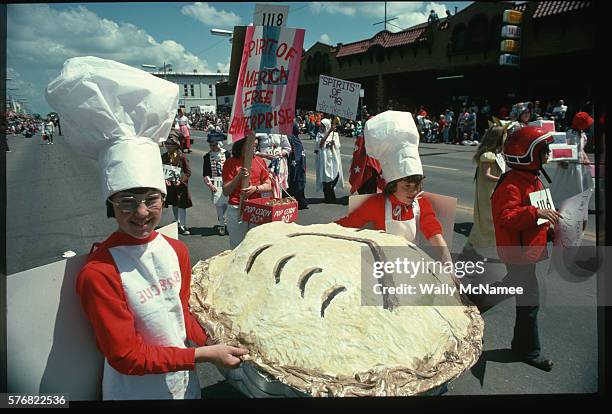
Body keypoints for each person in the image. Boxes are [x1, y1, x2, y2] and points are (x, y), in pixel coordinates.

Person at [45, 56, 247, 400]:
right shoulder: (98, 272)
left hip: (184, 385)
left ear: (164, 197)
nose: (141, 212)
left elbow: (180, 311)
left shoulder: (176, 250)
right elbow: (125, 356)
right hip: (133, 390)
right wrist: (204, 355)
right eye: (126, 201)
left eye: (152, 199)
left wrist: (215, 339)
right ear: (110, 203)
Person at [336, 111, 453, 266]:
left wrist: (447, 261)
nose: (413, 191)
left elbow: (434, 233)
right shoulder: (377, 204)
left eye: (417, 186)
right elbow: (348, 223)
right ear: (392, 185)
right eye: (407, 186)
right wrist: (318, 231)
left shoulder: (421, 203)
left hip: (411, 267)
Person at [487, 125, 559, 372]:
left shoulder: (532, 179)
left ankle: (467, 306)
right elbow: (505, 217)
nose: (548, 154)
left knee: (517, 295)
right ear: (527, 154)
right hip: (517, 252)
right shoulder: (512, 183)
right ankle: (528, 351)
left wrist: (551, 229)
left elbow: (536, 217)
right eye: (543, 150)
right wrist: (535, 212)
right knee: (529, 303)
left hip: (526, 250)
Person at [462, 125, 508, 260]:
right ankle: (478, 250)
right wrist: (502, 179)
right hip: (488, 193)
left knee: (486, 222)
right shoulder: (488, 155)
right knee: (487, 221)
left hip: (492, 191)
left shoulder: (496, 154)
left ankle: (471, 247)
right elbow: (486, 174)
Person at [222, 134, 272, 249]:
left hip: (256, 209)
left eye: (255, 146)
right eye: (251, 145)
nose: (254, 149)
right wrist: (238, 177)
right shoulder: (231, 163)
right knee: (238, 246)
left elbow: (269, 185)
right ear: (241, 145)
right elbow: (226, 191)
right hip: (236, 208)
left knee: (255, 246)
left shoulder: (260, 161)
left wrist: (255, 189)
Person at [550, 112, 595, 213]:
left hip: (579, 164)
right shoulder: (570, 134)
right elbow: (563, 148)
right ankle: (560, 203)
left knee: (582, 184)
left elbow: (580, 149)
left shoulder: (582, 134)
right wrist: (562, 160)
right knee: (566, 185)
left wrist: (585, 158)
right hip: (570, 165)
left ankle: (578, 203)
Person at [162, 130, 193, 235]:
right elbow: (162, 170)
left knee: (182, 205)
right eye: (166, 143)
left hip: (181, 186)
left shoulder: (182, 156)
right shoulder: (164, 157)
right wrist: (165, 179)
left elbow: (188, 172)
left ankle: (183, 225)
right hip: (170, 185)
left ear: (176, 144)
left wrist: (181, 180)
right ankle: (177, 221)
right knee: (174, 203)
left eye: (171, 143)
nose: (168, 146)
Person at [203, 131, 231, 236]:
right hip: (215, 183)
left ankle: (224, 220)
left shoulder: (227, 154)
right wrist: (210, 185)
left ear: (219, 144)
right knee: (219, 205)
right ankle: (222, 226)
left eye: (214, 145)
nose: (213, 147)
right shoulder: (207, 156)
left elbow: (231, 168)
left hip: (227, 182)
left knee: (227, 203)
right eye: (211, 145)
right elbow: (205, 173)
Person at [315, 118, 344, 203]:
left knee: (336, 175)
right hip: (324, 159)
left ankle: (330, 194)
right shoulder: (319, 134)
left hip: (333, 158)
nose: (321, 127)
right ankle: (328, 197)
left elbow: (338, 145)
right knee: (325, 177)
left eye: (323, 126)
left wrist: (333, 143)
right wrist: (328, 132)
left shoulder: (334, 134)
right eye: (321, 125)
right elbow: (320, 144)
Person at [256, 132, 291, 199]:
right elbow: (252, 150)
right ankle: (265, 206)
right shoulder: (258, 132)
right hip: (263, 166)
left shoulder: (281, 132)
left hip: (277, 167)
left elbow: (287, 148)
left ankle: (275, 205)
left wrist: (281, 153)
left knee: (277, 189)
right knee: (265, 189)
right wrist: (264, 155)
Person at [287, 119, 308, 209]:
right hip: (294, 165)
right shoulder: (289, 138)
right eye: (296, 125)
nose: (298, 127)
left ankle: (300, 201)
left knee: (299, 181)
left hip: (300, 165)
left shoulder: (296, 138)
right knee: (293, 181)